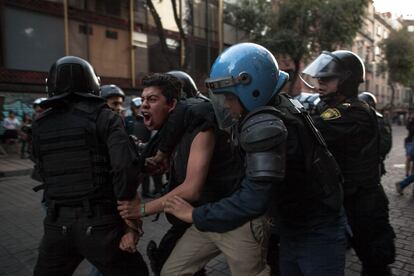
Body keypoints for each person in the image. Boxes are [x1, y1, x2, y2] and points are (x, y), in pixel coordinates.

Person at [163, 43, 346, 276]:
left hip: (315, 228)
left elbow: (252, 200)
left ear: (252, 89)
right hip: (295, 221)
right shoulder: (278, 105)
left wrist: (195, 215)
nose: (226, 106)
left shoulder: (264, 127)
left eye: (229, 97)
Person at [118, 72, 271, 276]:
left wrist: (142, 209)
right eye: (143, 99)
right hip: (206, 219)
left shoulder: (201, 127)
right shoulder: (171, 135)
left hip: (239, 222)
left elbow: (191, 190)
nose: (144, 105)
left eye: (152, 99)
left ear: (173, 105)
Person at [31, 56, 149, 276]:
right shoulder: (105, 118)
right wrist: (125, 208)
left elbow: (40, 168)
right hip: (100, 223)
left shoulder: (39, 124)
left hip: (57, 223)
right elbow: (125, 168)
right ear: (92, 83)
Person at [301, 50, 396, 276]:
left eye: (328, 78)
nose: (320, 82)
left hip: (364, 202)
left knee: (374, 263)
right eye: (319, 77)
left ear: (346, 81)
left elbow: (311, 129)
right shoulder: (331, 108)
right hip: (344, 198)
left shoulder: (354, 112)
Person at [358, 92, 392, 176]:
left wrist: (372, 155)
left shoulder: (379, 120)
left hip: (372, 163)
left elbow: (385, 144)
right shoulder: (359, 118)